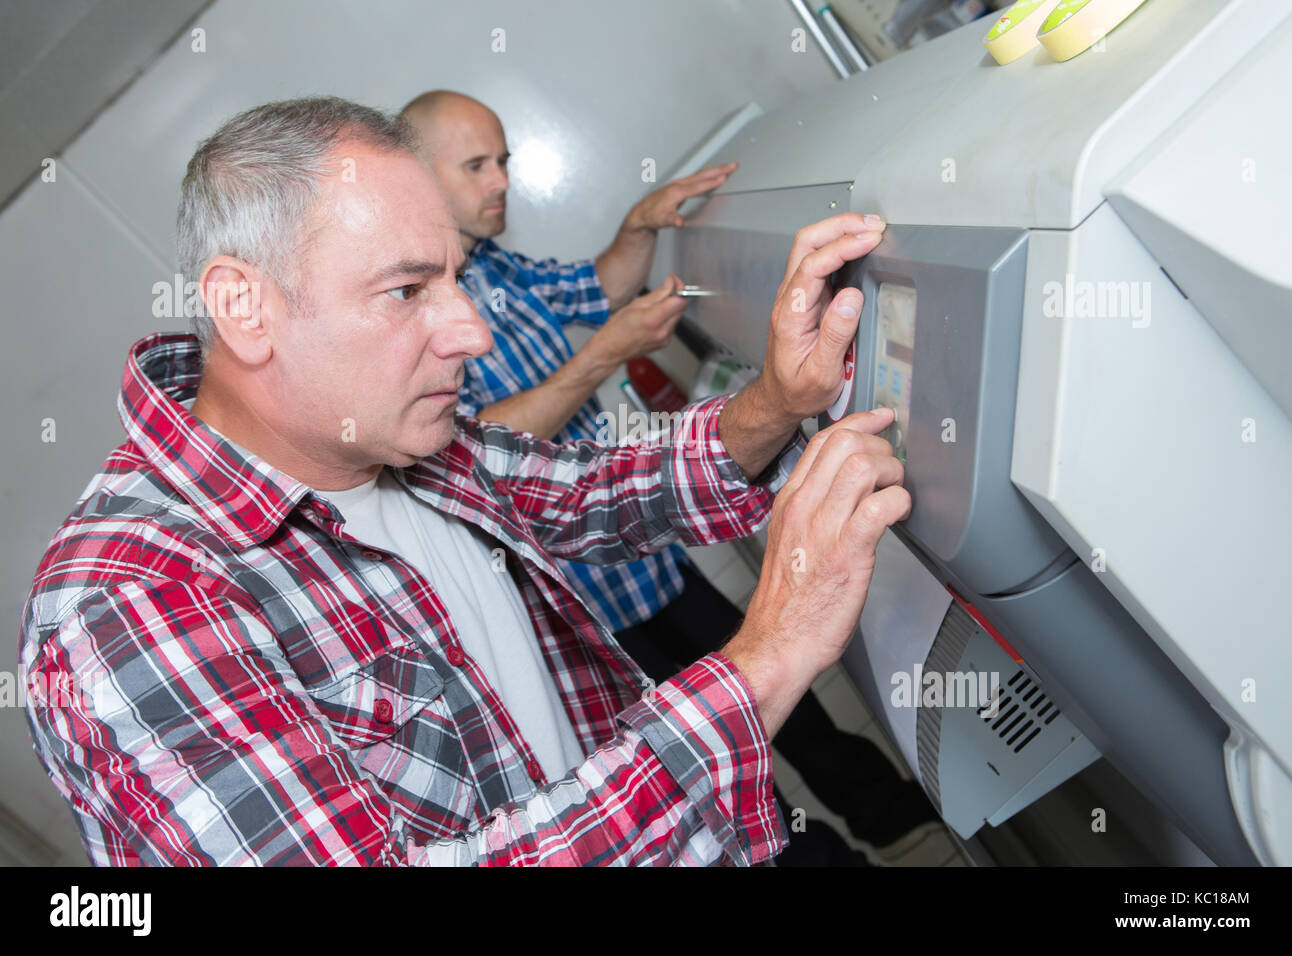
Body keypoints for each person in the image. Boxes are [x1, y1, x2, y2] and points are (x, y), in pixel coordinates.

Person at [19, 96, 907, 866]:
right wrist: (770, 654)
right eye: (407, 290)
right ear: (246, 309)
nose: (471, 335)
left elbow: (594, 490)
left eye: (452, 278)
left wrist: (780, 399)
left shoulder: (394, 439)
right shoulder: (125, 610)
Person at [402, 90, 941, 862]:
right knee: (699, 756)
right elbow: (480, 451)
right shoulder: (423, 319)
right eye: (478, 165)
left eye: (506, 161)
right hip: (585, 607)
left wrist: (640, 226)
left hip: (642, 552)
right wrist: (604, 354)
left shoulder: (496, 263)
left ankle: (888, 817)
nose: (502, 182)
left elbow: (597, 287)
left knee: (779, 698)